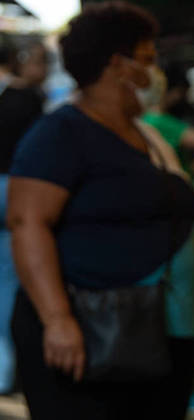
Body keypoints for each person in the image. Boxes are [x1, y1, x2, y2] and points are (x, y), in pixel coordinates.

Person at [6, 3, 194, 419]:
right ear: (118, 65)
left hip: (159, 334)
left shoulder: (146, 136)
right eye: (148, 60)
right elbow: (27, 223)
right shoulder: (60, 134)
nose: (154, 73)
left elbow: (164, 230)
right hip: (93, 338)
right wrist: (57, 320)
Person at [0, 38, 49, 394]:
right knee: (12, 279)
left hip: (14, 196)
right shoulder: (27, 99)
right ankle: (6, 372)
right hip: (18, 193)